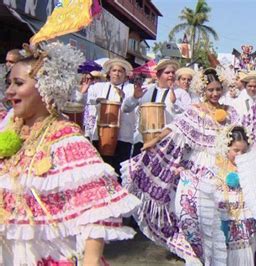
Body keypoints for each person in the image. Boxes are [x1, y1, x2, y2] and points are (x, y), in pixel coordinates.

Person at [0, 42, 139, 265]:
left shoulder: (66, 137)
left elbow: (98, 205)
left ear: (46, 86)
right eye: (9, 84)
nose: (9, 92)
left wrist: (91, 260)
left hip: (43, 256)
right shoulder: (8, 127)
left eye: (18, 83)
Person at [121, 68, 239, 264]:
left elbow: (239, 135)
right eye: (210, 90)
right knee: (194, 211)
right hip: (198, 166)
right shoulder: (196, 110)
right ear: (203, 90)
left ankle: (219, 253)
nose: (215, 94)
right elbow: (176, 127)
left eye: (218, 89)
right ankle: (195, 251)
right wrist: (154, 141)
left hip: (223, 167)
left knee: (222, 210)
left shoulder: (230, 111)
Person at [197, 126, 256, 265]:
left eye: (244, 151)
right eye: (236, 150)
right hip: (223, 234)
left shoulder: (250, 173)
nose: (240, 155)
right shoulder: (214, 173)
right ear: (226, 148)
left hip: (246, 235)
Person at [86, 58, 137, 176]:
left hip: (123, 136)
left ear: (125, 74)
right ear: (109, 73)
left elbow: (131, 106)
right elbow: (90, 104)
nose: (117, 73)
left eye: (120, 71)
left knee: (119, 169)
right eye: (114, 70)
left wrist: (125, 98)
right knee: (100, 168)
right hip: (101, 135)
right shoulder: (98, 87)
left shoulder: (131, 89)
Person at [122, 59, 181, 148]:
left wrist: (174, 100)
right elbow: (126, 109)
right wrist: (135, 97)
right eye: (167, 72)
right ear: (158, 75)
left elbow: (183, 117)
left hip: (167, 142)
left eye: (173, 73)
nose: (171, 75)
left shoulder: (180, 93)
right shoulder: (145, 89)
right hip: (142, 140)